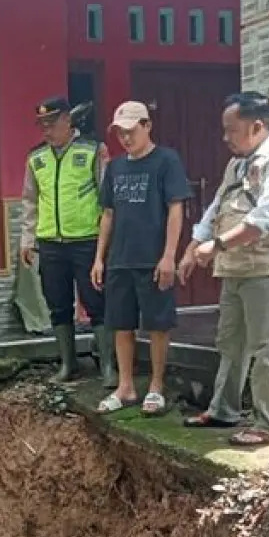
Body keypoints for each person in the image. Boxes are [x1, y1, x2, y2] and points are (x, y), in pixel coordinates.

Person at [179, 92, 269, 446]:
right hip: (234, 268)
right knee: (230, 342)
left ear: (256, 126)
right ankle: (223, 408)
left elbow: (265, 218)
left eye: (231, 130)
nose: (226, 138)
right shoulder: (237, 163)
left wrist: (216, 245)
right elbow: (217, 206)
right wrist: (194, 245)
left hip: (267, 268)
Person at [91, 101, 190, 415]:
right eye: (120, 133)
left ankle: (157, 386)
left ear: (147, 126)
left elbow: (177, 209)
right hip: (120, 258)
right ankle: (126, 386)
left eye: (131, 131)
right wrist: (99, 258)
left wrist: (169, 256)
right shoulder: (116, 167)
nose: (126, 139)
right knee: (120, 324)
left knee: (158, 324)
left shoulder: (166, 161)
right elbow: (108, 213)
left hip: (153, 258)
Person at [19, 97, 114, 385]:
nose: (46, 131)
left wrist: (104, 246)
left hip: (86, 240)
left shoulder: (93, 150)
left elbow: (106, 199)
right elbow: (29, 201)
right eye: (42, 125)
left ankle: (108, 366)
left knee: (96, 302)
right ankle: (67, 364)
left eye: (51, 123)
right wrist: (27, 239)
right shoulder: (36, 158)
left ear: (67, 121)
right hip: (50, 243)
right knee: (57, 305)